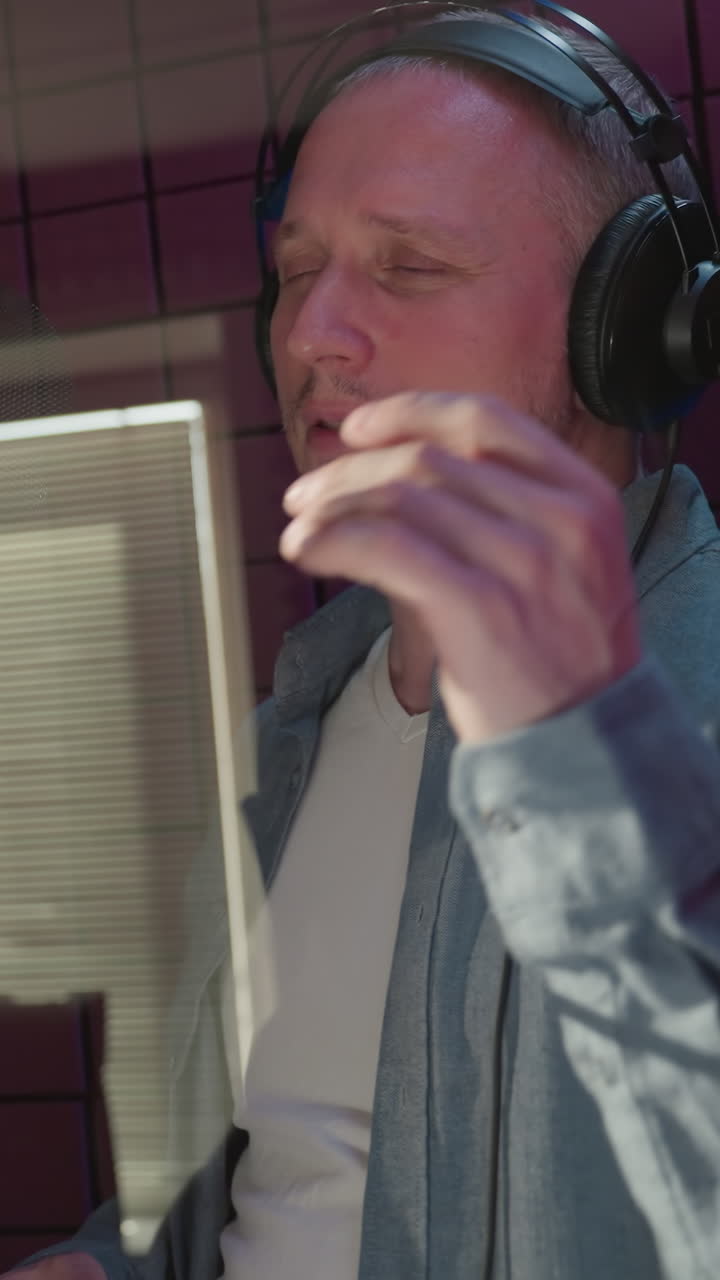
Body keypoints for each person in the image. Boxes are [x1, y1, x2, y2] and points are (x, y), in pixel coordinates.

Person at [10, 5, 720, 1279]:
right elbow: (275, 1190)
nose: (309, 333)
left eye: (407, 267)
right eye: (298, 269)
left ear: (626, 322)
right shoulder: (289, 731)